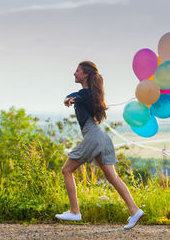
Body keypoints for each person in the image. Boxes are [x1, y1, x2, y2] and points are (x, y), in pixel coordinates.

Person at [55, 61, 144, 230]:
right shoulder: (89, 93)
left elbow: (80, 96)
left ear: (85, 74)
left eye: (77, 71)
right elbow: (75, 94)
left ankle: (74, 211)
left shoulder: (86, 96)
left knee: (66, 170)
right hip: (101, 136)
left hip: (93, 137)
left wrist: (71, 99)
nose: (74, 73)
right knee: (112, 177)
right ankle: (134, 210)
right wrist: (68, 98)